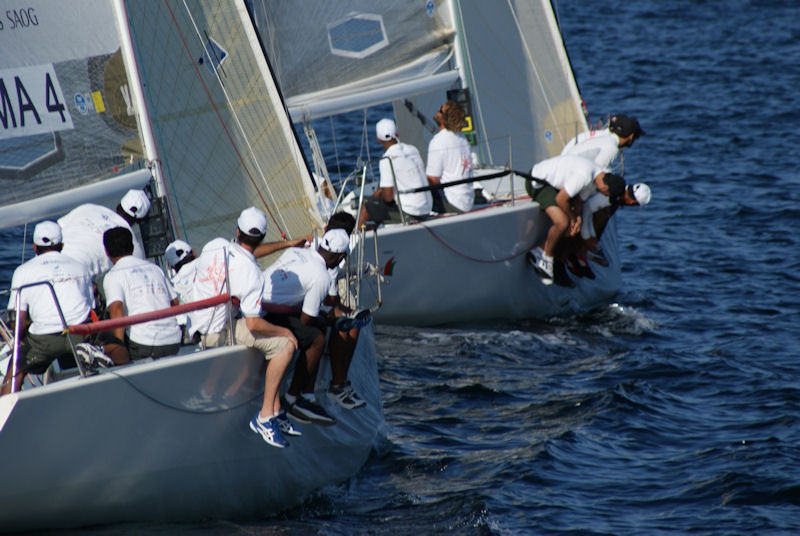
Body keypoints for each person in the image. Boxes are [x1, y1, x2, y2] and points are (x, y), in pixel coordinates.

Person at [186, 207, 299, 449]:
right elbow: (254, 323)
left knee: (270, 335)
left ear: (237, 230)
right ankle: (265, 416)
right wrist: (286, 332)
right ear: (263, 237)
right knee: (285, 345)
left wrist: (288, 244)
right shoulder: (253, 274)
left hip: (193, 323)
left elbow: (243, 254)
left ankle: (275, 409)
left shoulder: (214, 245)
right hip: (217, 332)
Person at [261, 228, 353, 425]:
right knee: (317, 339)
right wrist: (327, 320)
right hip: (268, 313)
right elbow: (305, 320)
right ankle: (293, 399)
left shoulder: (296, 251)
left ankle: (307, 393)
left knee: (317, 327)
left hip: (258, 304)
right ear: (341, 257)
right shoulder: (321, 276)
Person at [2, 221, 94, 395]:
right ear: (62, 245)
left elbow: (17, 322)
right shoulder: (80, 266)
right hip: (79, 335)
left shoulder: (23, 271)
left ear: (34, 247)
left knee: (15, 370)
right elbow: (90, 308)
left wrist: (19, 341)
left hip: (43, 340)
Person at [525, 154, 626, 287]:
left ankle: (551, 255)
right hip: (537, 182)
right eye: (606, 194)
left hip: (552, 186)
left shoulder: (596, 178)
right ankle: (544, 256)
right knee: (562, 222)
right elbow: (561, 199)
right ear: (605, 188)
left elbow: (579, 201)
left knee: (570, 226)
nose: (603, 195)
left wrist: (577, 220)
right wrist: (571, 219)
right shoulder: (584, 176)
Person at [101, 227, 181, 362]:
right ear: (132, 247)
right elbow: (174, 303)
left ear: (106, 252)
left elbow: (117, 308)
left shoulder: (112, 276)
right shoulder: (155, 269)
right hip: (174, 339)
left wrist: (119, 347)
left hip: (144, 343)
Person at [319, 211, 367, 410]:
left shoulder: (326, 252)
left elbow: (331, 298)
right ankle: (337, 384)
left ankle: (341, 381)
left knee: (352, 322)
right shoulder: (328, 258)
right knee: (346, 322)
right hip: (309, 309)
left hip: (318, 305)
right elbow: (328, 300)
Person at [58, 189, 151, 280]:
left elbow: (57, 229)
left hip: (51, 261)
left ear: (119, 206)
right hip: (74, 277)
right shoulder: (132, 246)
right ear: (139, 221)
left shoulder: (88, 207)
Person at [358, 118, 432, 227]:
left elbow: (388, 198)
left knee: (367, 208)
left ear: (378, 139)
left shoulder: (386, 159)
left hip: (411, 212)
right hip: (427, 207)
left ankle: (356, 240)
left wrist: (377, 195)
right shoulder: (413, 149)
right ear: (397, 133)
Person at [426, 100, 474, 214]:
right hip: (468, 201)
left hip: (452, 202)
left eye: (440, 109)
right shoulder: (462, 138)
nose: (438, 109)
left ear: (444, 118)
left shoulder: (438, 141)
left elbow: (432, 180)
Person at [560, 114, 645, 171]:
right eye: (636, 137)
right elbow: (595, 172)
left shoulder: (598, 135)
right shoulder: (611, 147)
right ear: (631, 136)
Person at [164, 239, 197, 340]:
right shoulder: (205, 265)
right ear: (192, 252)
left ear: (173, 266)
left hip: (191, 333)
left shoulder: (173, 285)